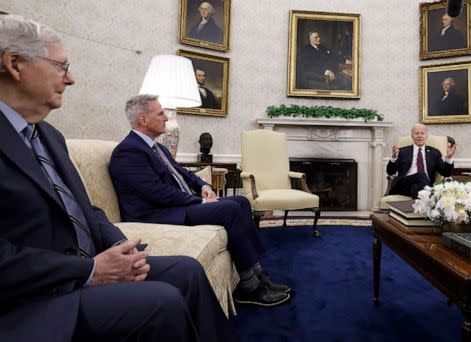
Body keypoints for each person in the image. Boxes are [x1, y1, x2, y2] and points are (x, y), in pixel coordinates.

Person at [0, 15, 236, 341]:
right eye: (61, 66)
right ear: (15, 64)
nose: (71, 79)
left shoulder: (48, 136)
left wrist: (120, 248)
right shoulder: (126, 151)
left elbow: (86, 210)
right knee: (161, 301)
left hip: (83, 265)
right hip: (33, 296)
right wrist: (92, 271)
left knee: (186, 270)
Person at [109, 94, 291, 307]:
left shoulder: (158, 148)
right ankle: (249, 287)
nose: (166, 118)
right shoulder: (128, 151)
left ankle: (259, 275)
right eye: (160, 113)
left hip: (173, 206)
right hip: (155, 214)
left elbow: (184, 174)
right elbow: (157, 193)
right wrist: (199, 202)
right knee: (230, 210)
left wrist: (203, 186)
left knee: (242, 202)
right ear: (143, 120)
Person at [387, 123, 456, 199]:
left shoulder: (435, 153)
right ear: (412, 136)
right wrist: (394, 158)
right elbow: (390, 172)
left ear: (426, 136)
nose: (419, 136)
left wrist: (449, 158)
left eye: (422, 133)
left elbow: (446, 173)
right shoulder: (402, 151)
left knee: (416, 187)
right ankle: (427, 196)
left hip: (421, 186)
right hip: (404, 184)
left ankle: (417, 204)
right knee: (421, 175)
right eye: (416, 133)